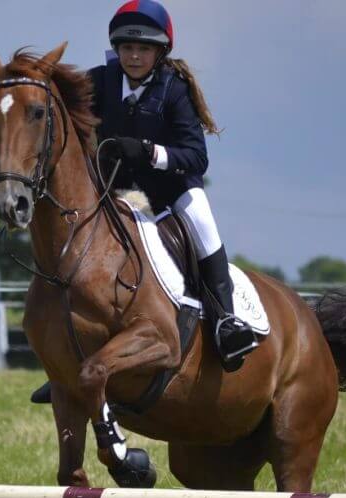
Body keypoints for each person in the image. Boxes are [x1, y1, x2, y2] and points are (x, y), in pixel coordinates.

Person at [92, 0, 257, 371]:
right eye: (127, 48)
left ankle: (226, 321)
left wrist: (150, 153)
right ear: (116, 49)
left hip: (171, 192)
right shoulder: (99, 81)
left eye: (143, 49)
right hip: (115, 193)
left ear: (159, 52)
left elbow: (196, 158)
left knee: (203, 225)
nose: (134, 56)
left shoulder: (174, 89)